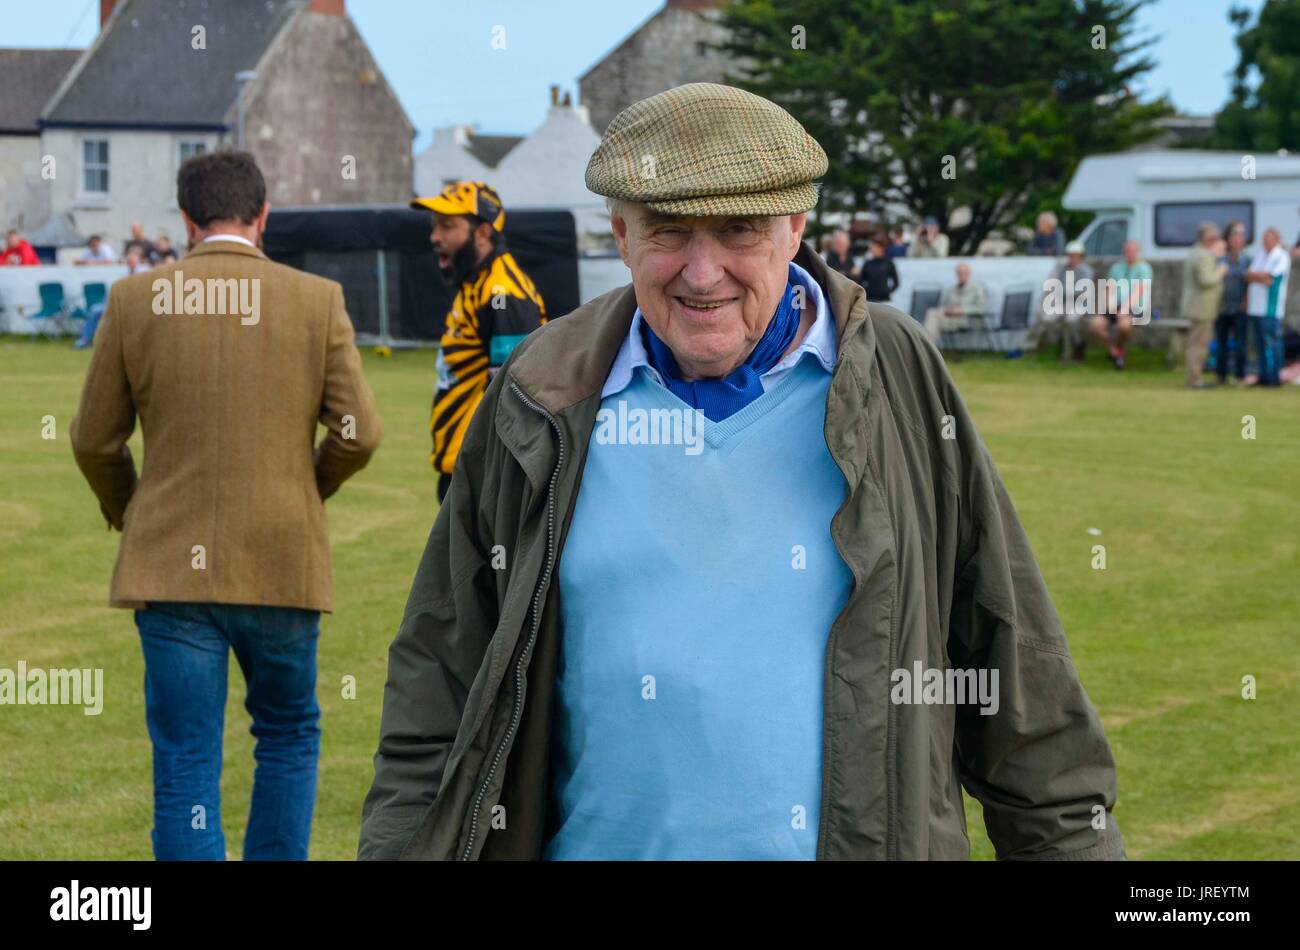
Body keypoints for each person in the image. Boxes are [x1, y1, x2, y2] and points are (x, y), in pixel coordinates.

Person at [358, 82, 1123, 862]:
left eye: (738, 230)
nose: (701, 271)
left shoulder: (898, 376)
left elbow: (1016, 674)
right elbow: (439, 675)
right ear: (621, 234)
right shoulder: (537, 388)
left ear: (796, 227)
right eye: (668, 231)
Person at [70, 150, 383, 860]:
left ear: (185, 220)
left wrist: (132, 506)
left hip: (170, 568)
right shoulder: (316, 299)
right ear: (263, 215)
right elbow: (360, 431)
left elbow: (93, 440)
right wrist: (309, 486)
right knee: (287, 736)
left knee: (185, 759)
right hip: (281, 557)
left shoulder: (133, 300)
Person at [410, 181, 546, 503]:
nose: (435, 237)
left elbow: (518, 401)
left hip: (485, 477)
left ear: (483, 234)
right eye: (434, 226)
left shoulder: (503, 295)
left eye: (447, 226)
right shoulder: (475, 285)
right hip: (464, 470)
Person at [1092, 239, 1152, 370]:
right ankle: (1114, 350)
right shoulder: (1116, 268)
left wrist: (1125, 309)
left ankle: (1118, 351)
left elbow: (1139, 291)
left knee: (1124, 326)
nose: (1129, 253)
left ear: (1138, 252)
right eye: (1126, 251)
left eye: (1132, 251)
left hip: (1137, 306)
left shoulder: (1144, 269)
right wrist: (1111, 307)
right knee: (1096, 324)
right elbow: (1110, 289)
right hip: (1117, 305)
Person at [1180, 222, 1226, 389]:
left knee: (1196, 344)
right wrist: (1220, 272)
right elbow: (1206, 280)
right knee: (1199, 345)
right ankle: (1195, 379)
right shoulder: (1202, 255)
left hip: (1198, 307)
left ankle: (1194, 378)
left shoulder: (1196, 252)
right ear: (1207, 239)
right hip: (1202, 308)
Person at [1244, 226, 1290, 387]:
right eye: (1264, 238)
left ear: (1277, 239)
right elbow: (1248, 276)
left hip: (1270, 309)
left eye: (1269, 238)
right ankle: (1263, 376)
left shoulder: (1281, 256)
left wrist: (1257, 276)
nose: (1265, 241)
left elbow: (1271, 279)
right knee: (1259, 344)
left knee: (1271, 343)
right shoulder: (1260, 255)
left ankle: (1274, 377)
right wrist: (1259, 276)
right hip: (1256, 308)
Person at [1041, 240, 1093, 361]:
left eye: (1075, 255)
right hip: (1063, 303)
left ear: (1081, 256)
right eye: (1070, 255)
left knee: (1070, 320)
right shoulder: (1062, 269)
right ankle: (1059, 341)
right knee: (1047, 319)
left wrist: (1064, 291)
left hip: (1080, 304)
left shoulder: (1086, 270)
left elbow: (1082, 291)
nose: (1072, 258)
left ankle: (1078, 344)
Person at [1214, 221, 1252, 385]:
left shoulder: (1248, 260)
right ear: (1228, 239)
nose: (1237, 239)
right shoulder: (1220, 259)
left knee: (1240, 345)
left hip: (1239, 308)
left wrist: (1246, 301)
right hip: (1222, 308)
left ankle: (1240, 375)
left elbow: (1250, 283)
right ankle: (1221, 375)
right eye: (1234, 235)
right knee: (1221, 344)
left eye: (1240, 236)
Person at [924, 261, 986, 344]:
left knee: (932, 318)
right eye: (959, 273)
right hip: (948, 318)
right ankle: (928, 346)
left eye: (964, 273)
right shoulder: (951, 289)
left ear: (969, 274)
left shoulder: (977, 288)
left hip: (967, 320)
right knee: (933, 316)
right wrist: (949, 310)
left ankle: (926, 345)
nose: (961, 275)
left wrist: (962, 310)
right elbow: (942, 305)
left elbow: (981, 308)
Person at [857, 232, 898, 302]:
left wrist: (887, 291)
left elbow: (896, 282)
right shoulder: (867, 263)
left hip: (884, 300)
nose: (871, 248)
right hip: (870, 300)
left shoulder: (889, 263)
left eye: (874, 246)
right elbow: (861, 281)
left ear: (881, 247)